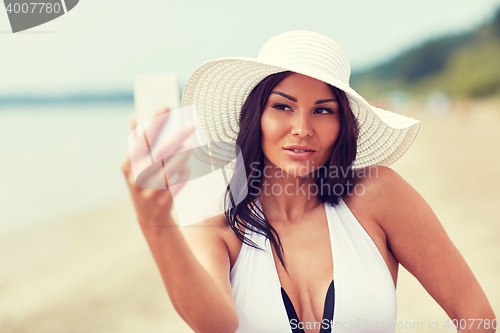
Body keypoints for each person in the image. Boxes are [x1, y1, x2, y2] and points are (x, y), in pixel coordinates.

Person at [121, 31, 495, 333]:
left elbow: (476, 316)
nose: (302, 129)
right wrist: (155, 226)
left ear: (341, 125)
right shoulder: (218, 230)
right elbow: (215, 325)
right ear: (256, 117)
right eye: (282, 106)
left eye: (323, 110)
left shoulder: (379, 196)